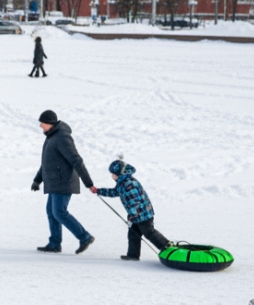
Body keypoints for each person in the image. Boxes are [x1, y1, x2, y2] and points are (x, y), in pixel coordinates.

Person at [31, 110, 95, 254]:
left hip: (63, 182)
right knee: (51, 212)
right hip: (53, 182)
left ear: (50, 123)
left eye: (42, 123)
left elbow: (76, 160)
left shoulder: (62, 137)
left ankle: (85, 236)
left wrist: (88, 183)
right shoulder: (50, 137)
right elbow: (47, 163)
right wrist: (37, 180)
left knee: (59, 212)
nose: (40, 125)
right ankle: (54, 244)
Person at [92, 160, 170, 261]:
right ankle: (133, 255)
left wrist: (132, 215)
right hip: (137, 216)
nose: (112, 176)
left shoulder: (129, 184)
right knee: (133, 234)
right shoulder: (122, 183)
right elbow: (115, 192)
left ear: (120, 174)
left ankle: (166, 246)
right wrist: (98, 191)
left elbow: (136, 202)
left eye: (114, 174)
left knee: (149, 233)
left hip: (143, 215)